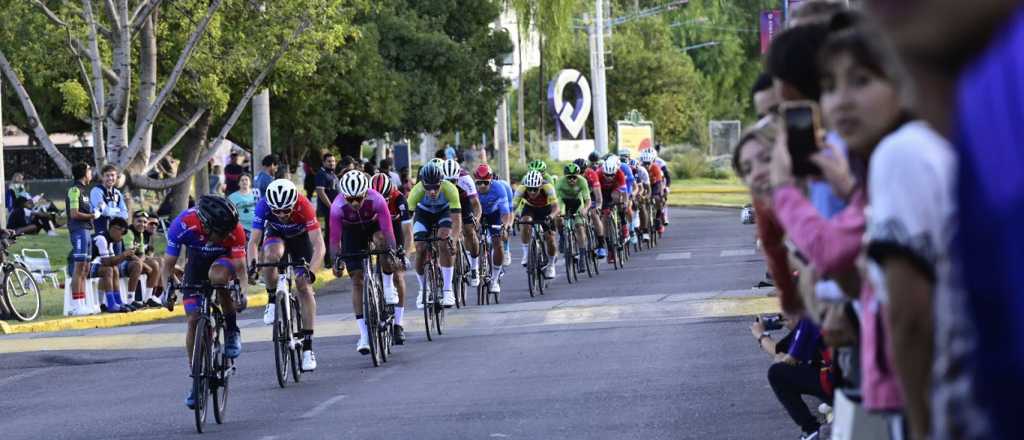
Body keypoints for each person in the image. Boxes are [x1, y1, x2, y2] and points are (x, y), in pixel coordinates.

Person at [161, 195, 249, 409]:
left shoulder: (233, 230)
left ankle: (231, 330)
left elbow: (241, 269)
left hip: (223, 262)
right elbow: (167, 266)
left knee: (218, 278)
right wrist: (167, 292)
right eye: (221, 232)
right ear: (206, 225)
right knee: (193, 320)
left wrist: (242, 294)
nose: (225, 235)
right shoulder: (183, 224)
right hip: (196, 263)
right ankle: (196, 378)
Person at [250, 178, 325, 370]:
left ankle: (308, 348)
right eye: (277, 211)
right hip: (276, 236)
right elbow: (253, 241)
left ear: (294, 204)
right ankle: (272, 298)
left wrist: (312, 272)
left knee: (303, 286)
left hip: (301, 240)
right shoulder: (263, 205)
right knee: (270, 256)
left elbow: (319, 245)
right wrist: (252, 263)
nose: (282, 214)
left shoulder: (304, 206)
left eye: (286, 210)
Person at [330, 171, 401, 352]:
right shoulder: (337, 206)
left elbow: (388, 230)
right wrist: (336, 260)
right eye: (350, 199)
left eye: (359, 198)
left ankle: (386, 285)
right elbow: (334, 239)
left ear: (366, 193)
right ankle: (364, 335)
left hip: (373, 226)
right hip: (351, 232)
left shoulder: (377, 199)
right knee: (357, 279)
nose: (355, 203)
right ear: (344, 196)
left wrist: (391, 251)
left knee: (381, 241)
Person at [751, 313, 833, 440]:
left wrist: (761, 335)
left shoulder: (809, 319)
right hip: (858, 377)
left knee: (777, 374)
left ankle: (811, 430)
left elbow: (784, 358)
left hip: (845, 385)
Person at [407, 163, 462, 307]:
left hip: (443, 213)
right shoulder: (415, 192)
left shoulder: (451, 189)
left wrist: (454, 240)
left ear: (442, 182)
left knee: (444, 241)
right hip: (423, 214)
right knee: (420, 247)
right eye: (428, 187)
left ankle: (447, 290)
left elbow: (456, 221)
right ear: (422, 184)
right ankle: (423, 290)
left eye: (436, 187)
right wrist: (409, 242)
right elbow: (407, 224)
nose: (432, 191)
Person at [370, 172, 410, 344]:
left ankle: (399, 324)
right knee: (379, 242)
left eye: (386, 197)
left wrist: (405, 254)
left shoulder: (399, 199)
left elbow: (408, 232)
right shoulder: (368, 199)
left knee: (399, 273)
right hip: (378, 230)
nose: (383, 202)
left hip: (395, 230)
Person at [440, 159, 482, 287]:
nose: (450, 184)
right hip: (447, 204)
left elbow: (476, 205)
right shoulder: (437, 182)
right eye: (447, 181)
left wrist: (476, 219)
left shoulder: (466, 180)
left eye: (453, 181)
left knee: (469, 230)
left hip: (464, 202)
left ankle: (474, 267)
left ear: (458, 177)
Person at [66, 162, 100, 316]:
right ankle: (76, 305)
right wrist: (92, 215)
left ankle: (82, 302)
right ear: (84, 173)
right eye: (89, 170)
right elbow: (74, 214)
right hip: (78, 231)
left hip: (86, 231)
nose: (91, 173)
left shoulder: (84, 191)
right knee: (79, 267)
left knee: (85, 268)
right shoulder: (74, 190)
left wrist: (96, 211)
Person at [472, 164, 511, 293]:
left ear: (491, 181)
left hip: (494, 215)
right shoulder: (471, 189)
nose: (482, 185)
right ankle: (474, 268)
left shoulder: (499, 188)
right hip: (478, 214)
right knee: (472, 237)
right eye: (479, 183)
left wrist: (504, 226)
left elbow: (505, 213)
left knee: (497, 243)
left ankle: (494, 279)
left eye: (485, 182)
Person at [512, 170, 560, 279]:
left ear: (540, 186)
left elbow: (556, 208)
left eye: (535, 190)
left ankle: (551, 265)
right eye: (529, 189)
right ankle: (526, 253)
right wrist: (513, 218)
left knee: (550, 238)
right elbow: (513, 207)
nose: (532, 192)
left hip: (546, 209)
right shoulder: (521, 188)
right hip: (530, 208)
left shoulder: (548, 187)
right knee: (525, 222)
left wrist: (551, 216)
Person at [90, 218, 142, 313]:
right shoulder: (102, 239)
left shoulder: (110, 241)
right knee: (108, 270)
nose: (122, 237)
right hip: (82, 266)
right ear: (114, 229)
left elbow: (113, 262)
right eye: (121, 233)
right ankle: (111, 304)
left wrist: (128, 255)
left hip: (94, 264)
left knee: (114, 269)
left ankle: (118, 301)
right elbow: (106, 262)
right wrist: (124, 254)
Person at [554, 162, 592, 268]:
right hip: (563, 201)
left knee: (580, 227)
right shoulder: (560, 182)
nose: (572, 180)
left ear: (578, 176)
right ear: (565, 177)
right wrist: (558, 212)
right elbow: (555, 201)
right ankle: (562, 235)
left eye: (574, 177)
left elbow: (588, 200)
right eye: (569, 178)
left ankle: (582, 256)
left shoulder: (582, 181)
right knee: (558, 218)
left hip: (577, 202)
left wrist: (585, 210)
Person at [125, 211, 164, 308]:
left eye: (144, 222)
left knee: (154, 264)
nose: (142, 224)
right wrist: (143, 264)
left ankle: (148, 298)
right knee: (138, 265)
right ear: (133, 221)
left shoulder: (141, 234)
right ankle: (130, 299)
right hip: (124, 261)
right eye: (139, 221)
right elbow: (129, 253)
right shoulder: (129, 232)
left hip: (135, 261)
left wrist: (143, 263)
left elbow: (142, 253)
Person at [597, 157, 628, 265]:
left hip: (615, 190)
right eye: (607, 175)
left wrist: (624, 204)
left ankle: (623, 223)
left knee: (617, 198)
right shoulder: (599, 173)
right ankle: (610, 250)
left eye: (612, 175)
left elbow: (624, 194)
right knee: (604, 218)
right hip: (602, 192)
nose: (609, 177)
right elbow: (597, 194)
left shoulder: (620, 174)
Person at [90, 164, 129, 236]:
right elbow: (105, 212)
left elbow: (125, 214)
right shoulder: (96, 191)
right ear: (102, 177)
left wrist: (113, 211)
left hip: (116, 231)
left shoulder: (117, 193)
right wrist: (117, 210)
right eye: (107, 175)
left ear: (116, 177)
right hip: (100, 230)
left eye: (112, 175)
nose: (110, 178)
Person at [314, 153, 339, 252]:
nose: (332, 163)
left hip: (334, 210)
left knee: (333, 233)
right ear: (323, 162)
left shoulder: (332, 173)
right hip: (326, 211)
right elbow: (320, 192)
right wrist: (331, 206)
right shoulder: (321, 174)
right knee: (328, 234)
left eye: (333, 161)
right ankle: (327, 259)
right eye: (329, 161)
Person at [228, 174, 258, 240]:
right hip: (241, 227)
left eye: (246, 180)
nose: (244, 182)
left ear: (250, 182)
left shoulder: (256, 193)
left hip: (256, 226)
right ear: (238, 183)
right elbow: (229, 213)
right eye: (242, 180)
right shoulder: (232, 197)